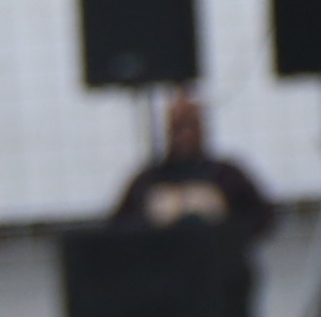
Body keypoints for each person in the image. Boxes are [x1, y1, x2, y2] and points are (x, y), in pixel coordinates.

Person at [106, 93, 278, 238]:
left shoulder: (228, 176)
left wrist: (221, 214)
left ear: (202, 129)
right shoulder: (147, 181)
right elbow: (118, 229)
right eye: (178, 128)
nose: (185, 136)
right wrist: (153, 218)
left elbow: (264, 219)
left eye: (191, 126)